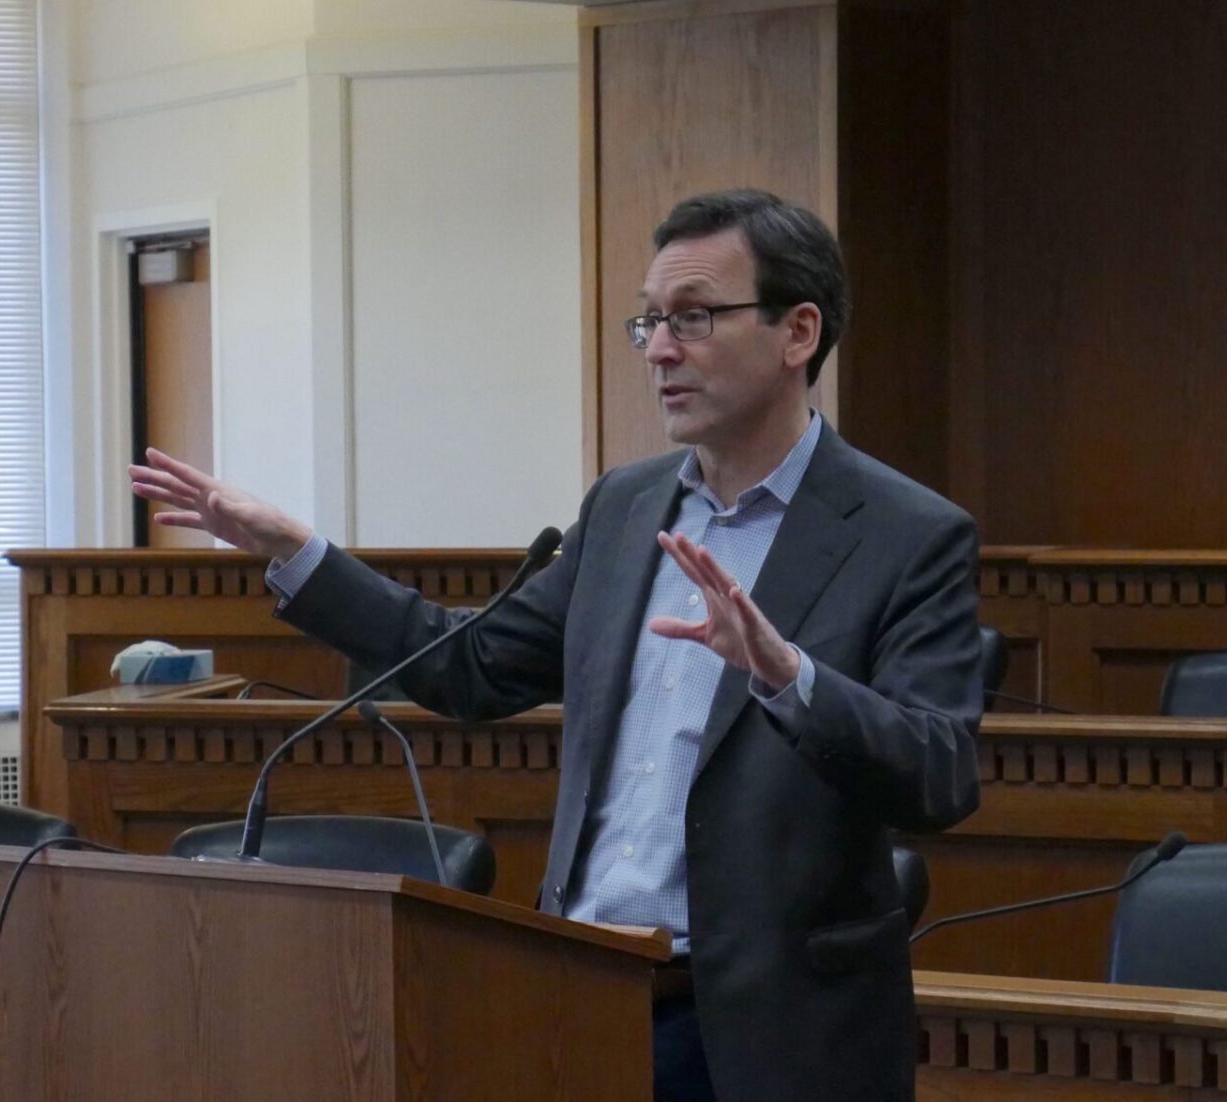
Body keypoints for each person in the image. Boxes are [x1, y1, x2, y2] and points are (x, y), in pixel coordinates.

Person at [129, 188, 980, 1102]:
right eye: (649, 322)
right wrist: (299, 555)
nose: (658, 350)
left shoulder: (906, 533)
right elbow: (469, 666)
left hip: (771, 1037)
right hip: (576, 998)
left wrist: (786, 675)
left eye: (692, 318)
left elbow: (939, 775)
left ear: (797, 332)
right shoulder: (624, 507)